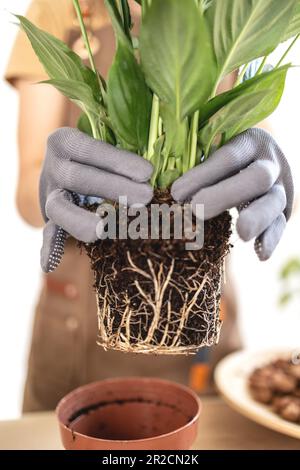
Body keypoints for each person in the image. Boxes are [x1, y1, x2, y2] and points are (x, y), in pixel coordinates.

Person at [5, 0, 293, 412]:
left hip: (198, 314)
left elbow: (254, 151)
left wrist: (265, 161)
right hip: (75, 328)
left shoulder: (230, 8)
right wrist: (55, 182)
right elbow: (26, 198)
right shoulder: (62, 8)